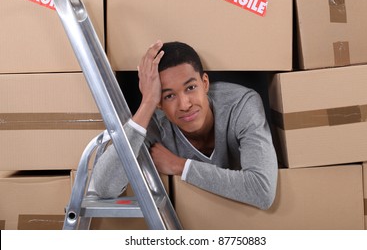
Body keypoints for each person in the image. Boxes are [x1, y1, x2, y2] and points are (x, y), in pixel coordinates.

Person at [92, 40, 278, 209]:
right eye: (169, 96)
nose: (185, 105)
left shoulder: (241, 105)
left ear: (205, 83)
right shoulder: (155, 123)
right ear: (159, 102)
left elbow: (262, 190)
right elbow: (105, 187)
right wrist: (147, 102)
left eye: (190, 88)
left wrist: (180, 166)